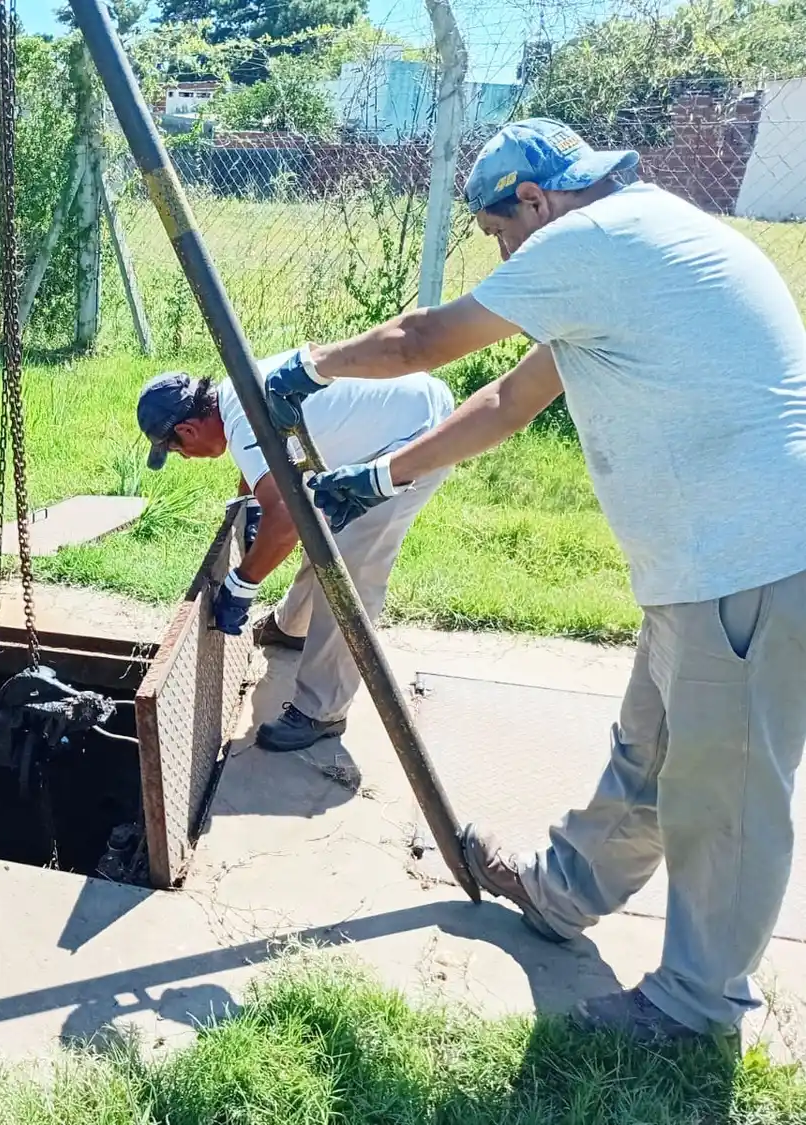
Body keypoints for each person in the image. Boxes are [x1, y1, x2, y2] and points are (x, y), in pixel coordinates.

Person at [265, 117, 806, 1046]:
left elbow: (420, 340)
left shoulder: (593, 240)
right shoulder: (635, 245)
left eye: (498, 231)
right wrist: (380, 476)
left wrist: (307, 366)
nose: (504, 253)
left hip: (752, 556)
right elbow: (508, 402)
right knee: (649, 751)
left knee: (725, 791)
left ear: (533, 199)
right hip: (704, 564)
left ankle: (698, 1006)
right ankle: (562, 895)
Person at [136, 355, 453, 753]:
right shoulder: (236, 395)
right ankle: (292, 628)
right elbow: (263, 464)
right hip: (394, 411)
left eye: (177, 448)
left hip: (415, 435)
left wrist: (241, 585)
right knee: (324, 530)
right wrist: (254, 504)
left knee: (351, 568)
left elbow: (284, 520)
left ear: (187, 429)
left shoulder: (242, 421)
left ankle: (323, 710)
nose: (184, 456)